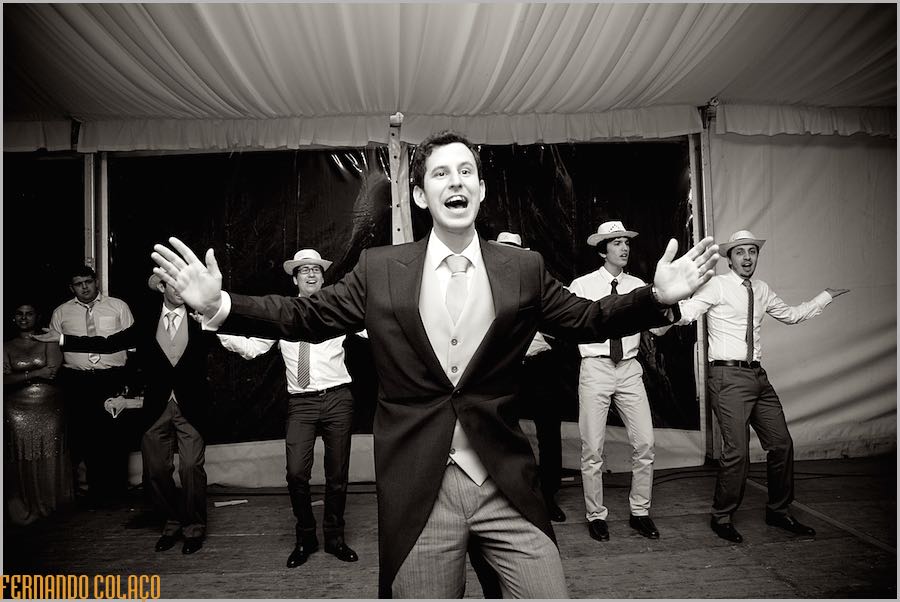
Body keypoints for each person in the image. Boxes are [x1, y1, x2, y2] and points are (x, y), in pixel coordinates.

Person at [151, 130, 720, 598]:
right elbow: (305, 317)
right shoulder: (380, 268)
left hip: (502, 480)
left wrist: (657, 299)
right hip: (421, 486)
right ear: (421, 196)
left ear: (479, 190)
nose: (456, 181)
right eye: (441, 173)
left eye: (466, 171)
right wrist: (220, 306)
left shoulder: (522, 268)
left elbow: (588, 319)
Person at [676, 230, 849, 543]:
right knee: (737, 453)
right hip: (727, 378)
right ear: (730, 259)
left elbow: (792, 316)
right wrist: (665, 305)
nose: (746, 257)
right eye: (740, 252)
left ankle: (778, 511)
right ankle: (722, 516)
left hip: (758, 377)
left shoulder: (763, 288)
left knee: (781, 444)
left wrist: (825, 295)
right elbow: (688, 312)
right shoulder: (716, 285)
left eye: (752, 252)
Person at [39, 273, 217, 554]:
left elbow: (226, 336)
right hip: (156, 407)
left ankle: (194, 528)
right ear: (162, 287)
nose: (181, 290)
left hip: (191, 407)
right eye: (174, 284)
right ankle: (171, 523)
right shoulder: (146, 320)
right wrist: (63, 339)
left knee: (191, 467)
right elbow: (109, 342)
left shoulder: (203, 319)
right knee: (156, 471)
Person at [218, 249, 360, 568]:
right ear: (295, 278)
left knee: (337, 475)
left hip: (338, 398)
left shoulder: (339, 309)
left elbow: (372, 328)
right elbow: (254, 348)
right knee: (296, 474)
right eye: (304, 270)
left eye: (316, 270)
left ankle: (335, 538)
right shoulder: (282, 315)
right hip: (302, 403)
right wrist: (219, 328)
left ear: (323, 278)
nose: (311, 274)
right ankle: (306, 537)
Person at [568, 220, 671, 542]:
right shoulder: (582, 286)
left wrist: (670, 304)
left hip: (628, 368)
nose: (624, 248)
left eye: (626, 242)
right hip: (595, 369)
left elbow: (657, 329)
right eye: (616, 243)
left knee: (645, 444)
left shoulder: (639, 285)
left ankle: (640, 511)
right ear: (602, 250)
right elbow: (568, 325)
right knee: (592, 448)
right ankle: (596, 515)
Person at [493, 231, 565, 522]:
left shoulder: (538, 286)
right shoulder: (484, 289)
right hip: (504, 368)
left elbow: (565, 318)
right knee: (500, 432)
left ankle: (548, 495)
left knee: (549, 432)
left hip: (539, 365)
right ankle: (509, 497)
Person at [50, 265, 134, 506]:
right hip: (79, 381)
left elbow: (132, 346)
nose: (85, 287)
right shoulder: (61, 313)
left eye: (88, 281)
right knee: (87, 436)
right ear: (71, 287)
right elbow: (55, 348)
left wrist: (128, 382)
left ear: (96, 282)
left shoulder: (118, 306)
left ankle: (118, 492)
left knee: (116, 436)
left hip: (112, 378)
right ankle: (96, 494)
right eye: (79, 283)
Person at [3, 301, 72, 525]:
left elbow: (51, 372)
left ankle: (52, 506)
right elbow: (3, 382)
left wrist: (20, 375)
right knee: (22, 453)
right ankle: (25, 506)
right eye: (19, 314)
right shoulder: (5, 346)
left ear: (37, 317)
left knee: (49, 452)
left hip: (50, 407)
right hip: (15, 409)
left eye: (29, 314)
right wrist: (35, 373)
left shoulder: (48, 340)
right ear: (13, 318)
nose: (24, 318)